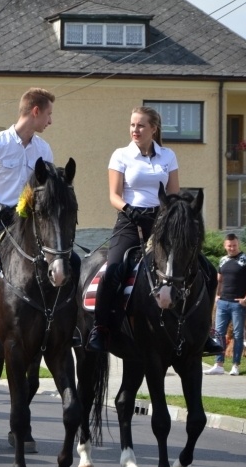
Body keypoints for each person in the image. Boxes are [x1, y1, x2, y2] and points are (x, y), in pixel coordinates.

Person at [86, 106, 222, 355]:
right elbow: (114, 195)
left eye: (140, 125)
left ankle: (206, 331)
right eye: (132, 125)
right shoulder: (120, 155)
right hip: (130, 222)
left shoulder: (168, 156)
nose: (135, 130)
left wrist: (172, 216)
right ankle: (101, 328)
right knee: (114, 270)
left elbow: (173, 194)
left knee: (208, 271)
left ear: (153, 129)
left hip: (163, 223)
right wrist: (129, 209)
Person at [0, 88, 73, 353]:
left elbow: (45, 190)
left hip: (27, 222)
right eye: (49, 114)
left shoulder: (43, 149)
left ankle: (68, 325)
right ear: (35, 111)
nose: (50, 121)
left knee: (70, 259)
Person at [204, 233, 246, 376]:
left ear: (238, 244)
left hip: (238, 304)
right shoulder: (223, 260)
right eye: (229, 246)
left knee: (238, 334)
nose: (232, 248)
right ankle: (218, 364)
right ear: (225, 246)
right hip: (223, 302)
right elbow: (219, 279)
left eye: (234, 245)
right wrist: (216, 296)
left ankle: (235, 365)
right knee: (219, 333)